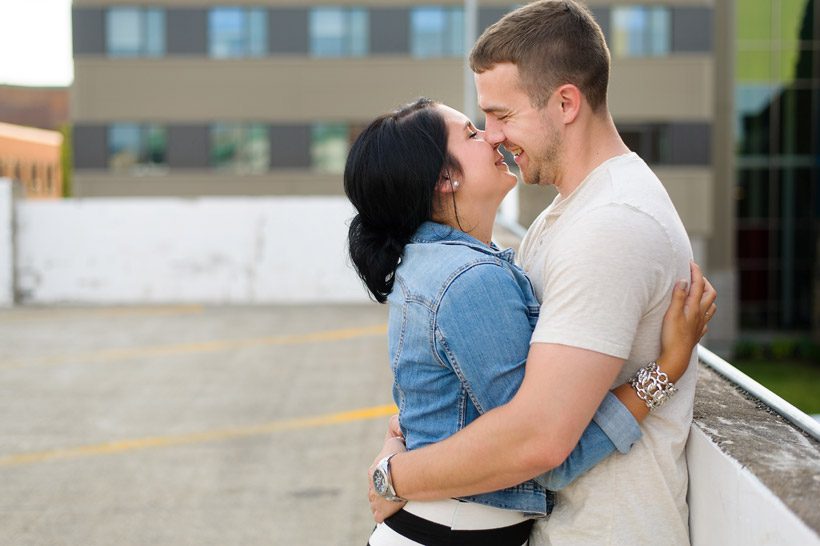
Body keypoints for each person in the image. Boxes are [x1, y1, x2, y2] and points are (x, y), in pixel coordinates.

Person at [365, 2, 714, 545]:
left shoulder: (611, 225)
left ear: (565, 103)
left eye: (502, 116)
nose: (495, 136)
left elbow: (538, 447)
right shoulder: (559, 217)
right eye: (481, 124)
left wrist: (396, 474)